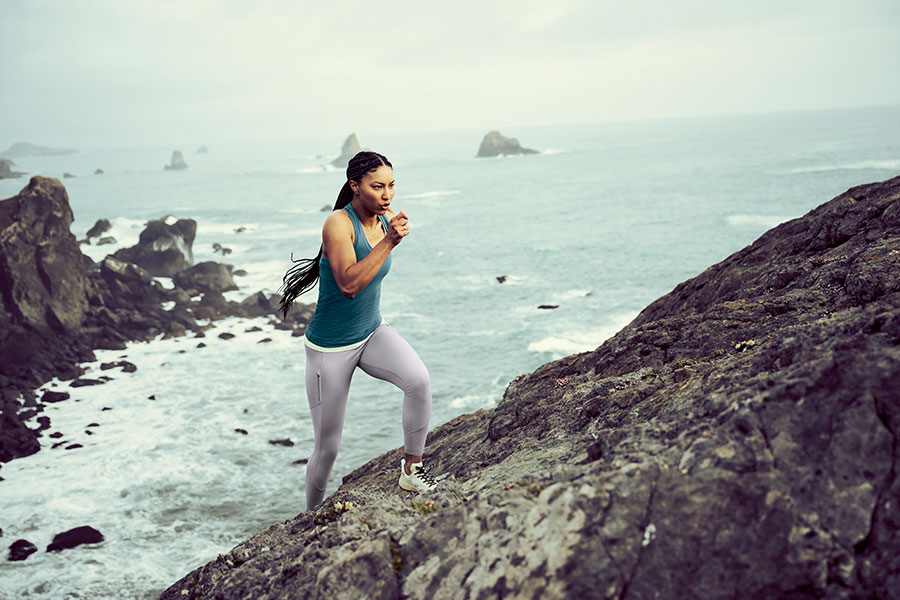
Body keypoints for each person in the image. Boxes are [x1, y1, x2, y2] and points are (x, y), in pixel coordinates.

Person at [279, 151, 437, 510]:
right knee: (329, 448)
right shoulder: (338, 223)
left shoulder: (384, 221)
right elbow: (349, 284)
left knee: (419, 381)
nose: (387, 195)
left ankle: (412, 470)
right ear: (355, 186)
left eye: (392, 185)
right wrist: (390, 242)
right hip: (330, 350)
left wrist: (387, 237)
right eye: (377, 186)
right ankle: (311, 516)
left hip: (371, 332)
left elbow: (372, 273)